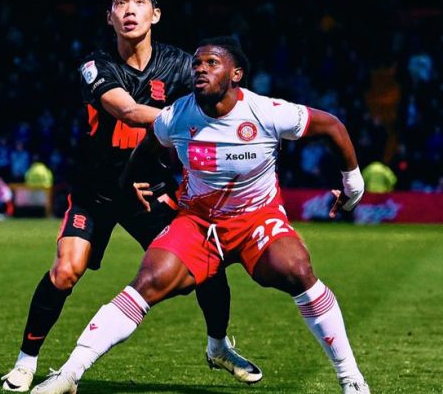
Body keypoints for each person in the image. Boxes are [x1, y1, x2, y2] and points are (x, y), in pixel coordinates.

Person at [30, 37, 370, 394]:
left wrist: (352, 182)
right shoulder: (177, 115)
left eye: (211, 63)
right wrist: (130, 182)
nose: (200, 70)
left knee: (297, 270)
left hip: (256, 219)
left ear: (236, 74)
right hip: (199, 223)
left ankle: (351, 378)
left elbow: (332, 126)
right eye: (196, 64)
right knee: (148, 281)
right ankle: (69, 373)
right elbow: (146, 149)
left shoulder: (267, 112)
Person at [2, 0, 260, 392]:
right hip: (96, 191)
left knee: (207, 264)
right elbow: (128, 110)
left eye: (139, 1)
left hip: (148, 190)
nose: (129, 9)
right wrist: (192, 121)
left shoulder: (180, 64)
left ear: (155, 15)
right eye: (120, 3)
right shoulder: (96, 66)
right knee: (66, 271)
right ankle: (25, 362)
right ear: (109, 18)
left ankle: (218, 348)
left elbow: (222, 95)